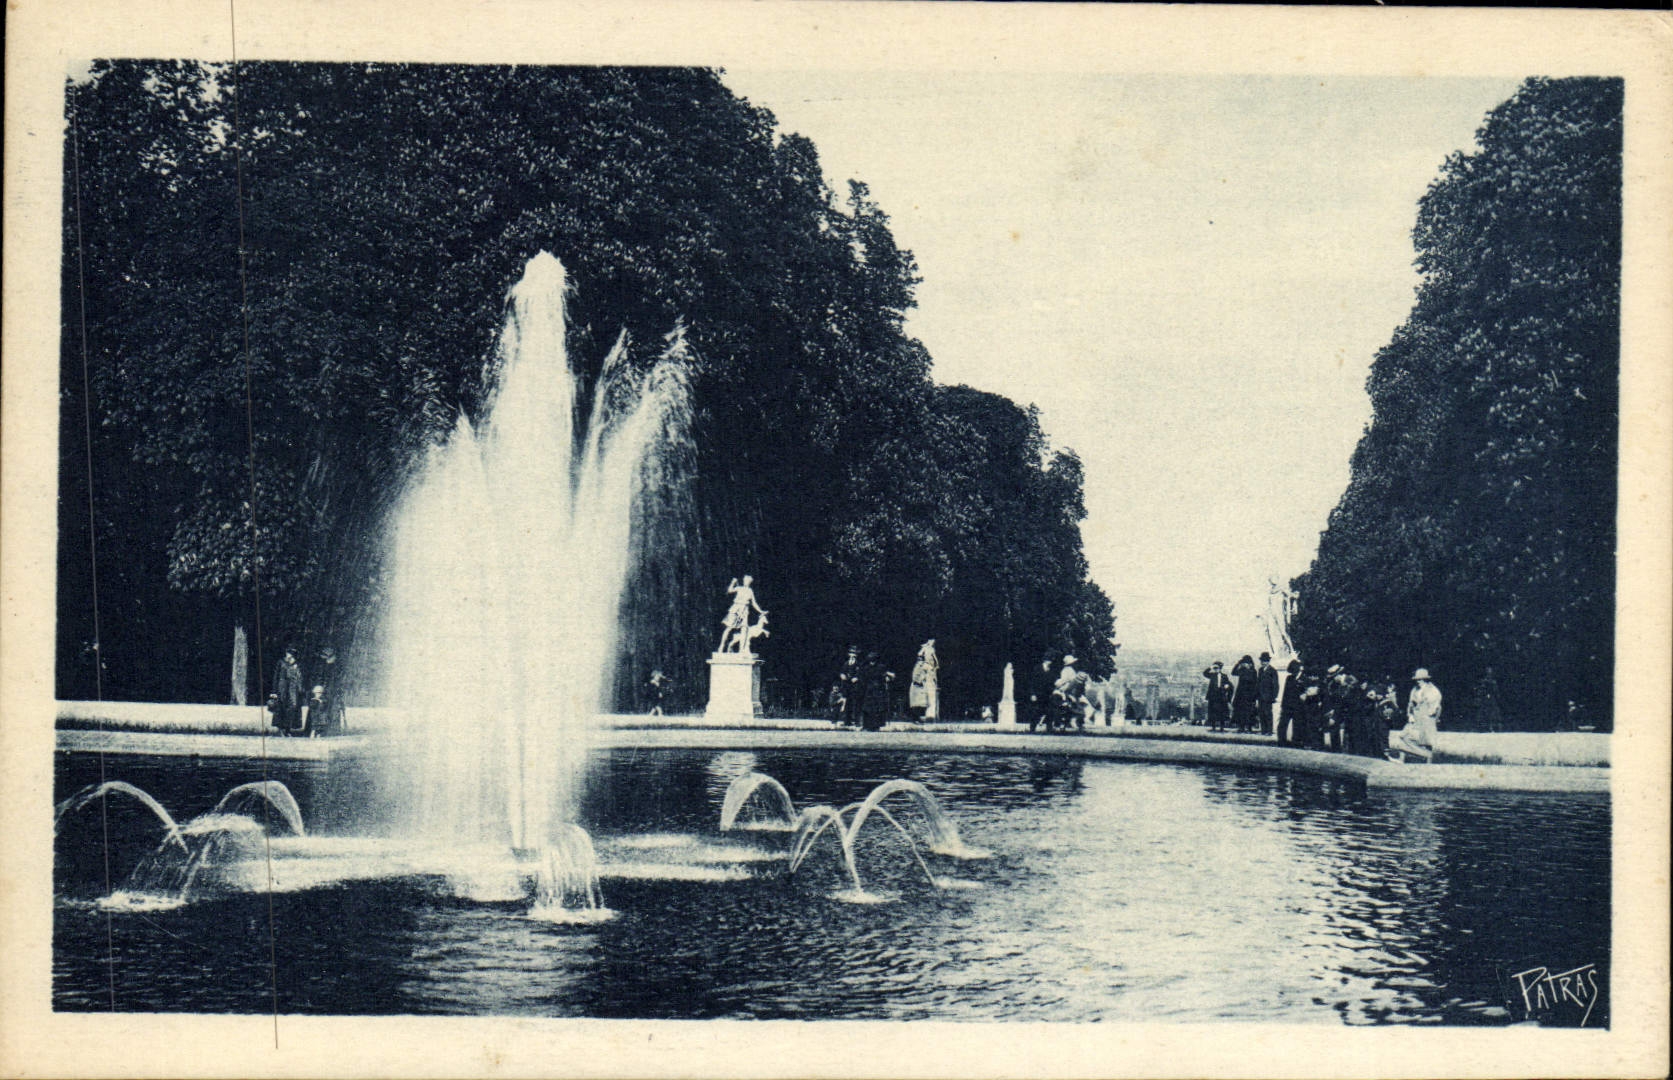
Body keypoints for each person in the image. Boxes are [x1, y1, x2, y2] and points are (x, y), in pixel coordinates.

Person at [1389, 668, 1441, 763]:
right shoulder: (1414, 690)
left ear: (1426, 679)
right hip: (1415, 717)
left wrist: (1428, 714)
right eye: (1417, 679)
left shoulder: (1433, 690)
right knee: (1403, 736)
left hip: (1426, 718)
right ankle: (1403, 759)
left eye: (1421, 679)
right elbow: (1410, 704)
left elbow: (1435, 706)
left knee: (1425, 740)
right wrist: (1410, 714)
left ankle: (1427, 759)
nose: (1418, 681)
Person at [718, 575, 766, 653]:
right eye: (744, 580)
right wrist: (733, 583)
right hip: (736, 609)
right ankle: (721, 646)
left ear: (749, 582)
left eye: (747, 581)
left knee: (744, 628)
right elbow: (730, 591)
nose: (745, 582)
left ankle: (742, 649)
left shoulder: (750, 591)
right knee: (729, 628)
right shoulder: (739, 588)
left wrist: (760, 611)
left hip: (744, 610)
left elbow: (754, 603)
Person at [310, 646, 346, 736]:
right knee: (321, 710)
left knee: (330, 711)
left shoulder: (335, 667)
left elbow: (338, 681)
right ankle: (319, 730)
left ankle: (330, 730)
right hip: (324, 692)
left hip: (331, 692)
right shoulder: (323, 667)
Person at [272, 645, 306, 737]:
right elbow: (276, 677)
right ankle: (281, 730)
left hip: (293, 689)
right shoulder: (281, 662)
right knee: (281, 708)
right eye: (288, 652)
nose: (288, 655)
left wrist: (301, 689)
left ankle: (288, 729)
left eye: (291, 653)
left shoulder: (297, 664)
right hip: (282, 689)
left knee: (292, 708)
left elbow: (300, 677)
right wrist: (274, 691)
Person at [908, 639, 941, 721]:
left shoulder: (927, 664)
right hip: (920, 685)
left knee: (927, 701)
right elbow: (916, 676)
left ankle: (929, 716)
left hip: (926, 684)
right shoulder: (921, 665)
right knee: (919, 702)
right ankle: (920, 717)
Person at [860, 650, 892, 732]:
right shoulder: (866, 668)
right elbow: (863, 678)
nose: (872, 661)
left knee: (877, 708)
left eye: (873, 659)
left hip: (878, 689)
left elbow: (884, 676)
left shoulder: (881, 667)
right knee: (867, 708)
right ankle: (866, 725)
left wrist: (887, 678)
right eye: (871, 659)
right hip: (869, 689)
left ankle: (876, 726)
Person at [831, 646, 862, 727]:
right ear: (849, 654)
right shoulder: (846, 663)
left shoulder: (858, 664)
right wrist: (842, 675)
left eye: (854, 654)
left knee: (855, 704)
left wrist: (856, 677)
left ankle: (856, 721)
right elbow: (842, 671)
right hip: (846, 686)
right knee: (846, 703)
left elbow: (860, 674)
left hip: (854, 686)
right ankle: (846, 721)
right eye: (851, 653)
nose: (852, 655)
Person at [1277, 659, 1305, 745]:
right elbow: (1285, 692)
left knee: (1297, 725)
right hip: (1287, 705)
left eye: (1293, 672)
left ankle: (1296, 741)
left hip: (1298, 706)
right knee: (1282, 724)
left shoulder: (1304, 678)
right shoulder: (1289, 678)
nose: (1292, 673)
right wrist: (1282, 706)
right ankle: (1281, 741)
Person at [1230, 655, 1259, 733]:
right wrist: (1238, 664)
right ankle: (1241, 727)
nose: (1245, 664)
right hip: (1241, 694)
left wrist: (1255, 696)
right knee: (1240, 711)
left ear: (1250, 664)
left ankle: (1249, 728)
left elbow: (1253, 681)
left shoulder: (1253, 671)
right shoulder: (1242, 670)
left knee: (1249, 712)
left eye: (1246, 663)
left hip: (1249, 694)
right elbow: (1233, 672)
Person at [1202, 661, 1232, 732]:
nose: (1216, 669)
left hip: (1221, 695)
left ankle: (1222, 727)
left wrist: (1227, 686)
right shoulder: (1212, 675)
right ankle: (1213, 727)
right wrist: (1210, 667)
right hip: (1213, 696)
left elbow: (1228, 684)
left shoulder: (1224, 676)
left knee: (1222, 712)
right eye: (1215, 668)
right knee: (1213, 711)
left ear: (1220, 668)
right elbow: (1205, 673)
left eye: (1217, 668)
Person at [1256, 652, 1280, 737]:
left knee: (1268, 713)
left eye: (1265, 661)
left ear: (1268, 661)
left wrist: (1274, 696)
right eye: (1262, 661)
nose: (1263, 662)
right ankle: (1263, 730)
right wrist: (1257, 695)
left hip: (1268, 696)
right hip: (1260, 696)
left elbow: (1276, 684)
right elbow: (1258, 683)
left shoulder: (1272, 671)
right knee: (1261, 713)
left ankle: (1269, 730)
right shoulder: (1260, 670)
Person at [1476, 667, 1503, 733]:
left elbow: (1496, 690)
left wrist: (1496, 696)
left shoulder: (1493, 681)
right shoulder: (1484, 681)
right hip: (1486, 698)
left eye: (1490, 671)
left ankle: (1493, 727)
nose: (1489, 672)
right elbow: (1482, 689)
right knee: (1485, 712)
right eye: (1488, 671)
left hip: (1492, 698)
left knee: (1493, 713)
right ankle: (1484, 727)